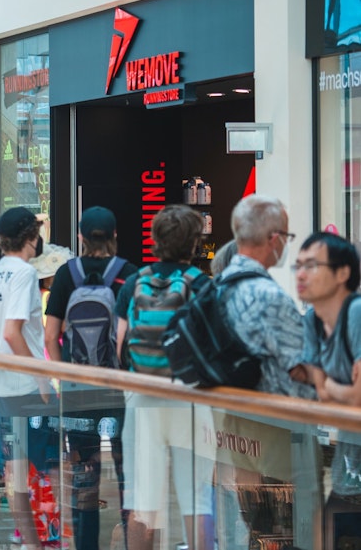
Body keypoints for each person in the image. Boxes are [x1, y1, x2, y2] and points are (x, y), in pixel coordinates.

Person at [112, 205, 216, 550]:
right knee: (196, 499)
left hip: (142, 397)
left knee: (143, 501)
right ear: (194, 243)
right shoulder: (202, 285)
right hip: (189, 398)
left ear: (155, 239)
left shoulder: (134, 283)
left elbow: (121, 345)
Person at [44, 206, 136, 550]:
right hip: (120, 392)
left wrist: (61, 377)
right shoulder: (128, 273)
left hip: (78, 391)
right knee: (127, 477)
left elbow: (51, 336)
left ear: (80, 237)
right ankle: (130, 541)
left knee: (85, 479)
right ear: (114, 236)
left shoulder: (67, 274)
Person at [0, 206, 52, 548]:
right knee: (44, 467)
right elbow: (15, 332)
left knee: (16, 467)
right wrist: (40, 376)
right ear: (31, 236)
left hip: (1, 385)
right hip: (25, 386)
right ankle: (44, 536)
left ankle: (28, 540)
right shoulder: (23, 273)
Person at [219, 195, 314, 398]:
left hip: (231, 412)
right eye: (286, 237)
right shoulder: (271, 297)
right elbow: (301, 367)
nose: (286, 244)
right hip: (277, 418)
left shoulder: (219, 286)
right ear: (274, 239)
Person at [295, 232, 361, 520]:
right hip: (349, 461)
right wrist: (340, 388)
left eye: (311, 266)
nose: (301, 274)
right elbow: (321, 390)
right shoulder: (312, 319)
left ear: (342, 273)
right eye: (297, 266)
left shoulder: (356, 312)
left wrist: (333, 387)